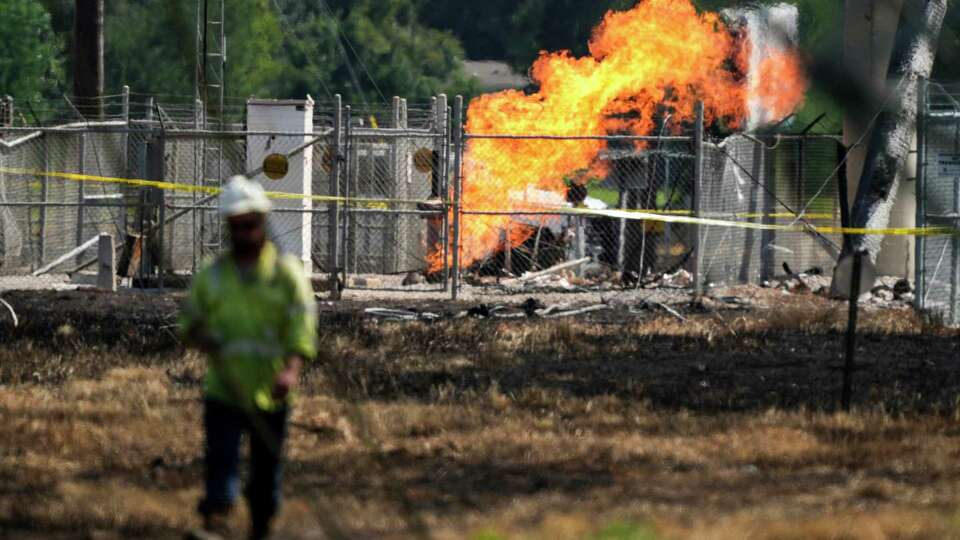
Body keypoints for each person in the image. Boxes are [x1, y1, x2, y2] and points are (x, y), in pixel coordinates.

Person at [180, 175, 317, 540]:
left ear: (263, 222)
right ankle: (216, 521)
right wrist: (199, 335)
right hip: (224, 389)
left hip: (270, 393)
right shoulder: (212, 276)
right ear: (228, 226)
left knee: (265, 472)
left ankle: (261, 525)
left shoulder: (285, 275)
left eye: (251, 224)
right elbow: (189, 321)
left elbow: (301, 326)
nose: (244, 232)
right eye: (237, 226)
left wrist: (290, 371)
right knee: (221, 464)